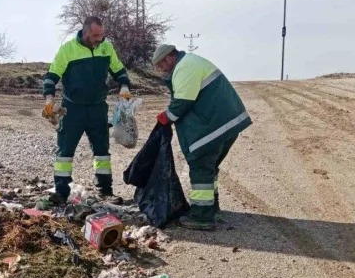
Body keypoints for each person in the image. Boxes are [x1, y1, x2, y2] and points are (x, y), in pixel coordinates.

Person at [152, 44, 252, 230]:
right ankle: (211, 207)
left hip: (214, 125)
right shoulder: (190, 62)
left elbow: (182, 102)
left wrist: (165, 118)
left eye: (160, 65)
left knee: (201, 165)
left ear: (168, 58)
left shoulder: (184, 67)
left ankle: (201, 216)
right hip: (227, 122)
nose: (160, 70)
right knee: (209, 167)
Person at [42, 16, 131, 204]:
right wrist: (49, 97)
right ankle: (62, 192)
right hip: (72, 108)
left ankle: (105, 191)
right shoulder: (68, 50)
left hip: (98, 107)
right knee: (65, 152)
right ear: (85, 32)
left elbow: (119, 70)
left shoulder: (106, 47)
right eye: (96, 35)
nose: (100, 39)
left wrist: (124, 86)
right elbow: (52, 75)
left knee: (102, 152)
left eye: (102, 35)